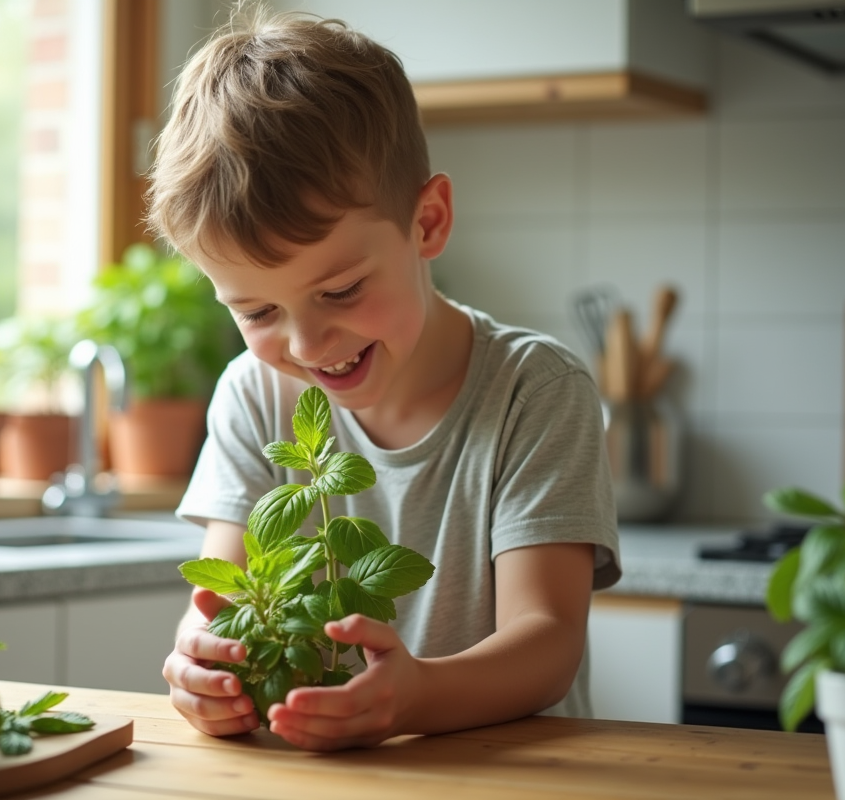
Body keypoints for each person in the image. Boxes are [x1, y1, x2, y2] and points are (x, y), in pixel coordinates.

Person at [152, 5, 621, 752]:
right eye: (258, 309)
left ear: (428, 222)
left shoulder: (536, 389)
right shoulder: (252, 393)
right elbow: (220, 603)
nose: (307, 344)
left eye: (340, 291)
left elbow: (547, 643)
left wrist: (416, 697)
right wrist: (199, 669)